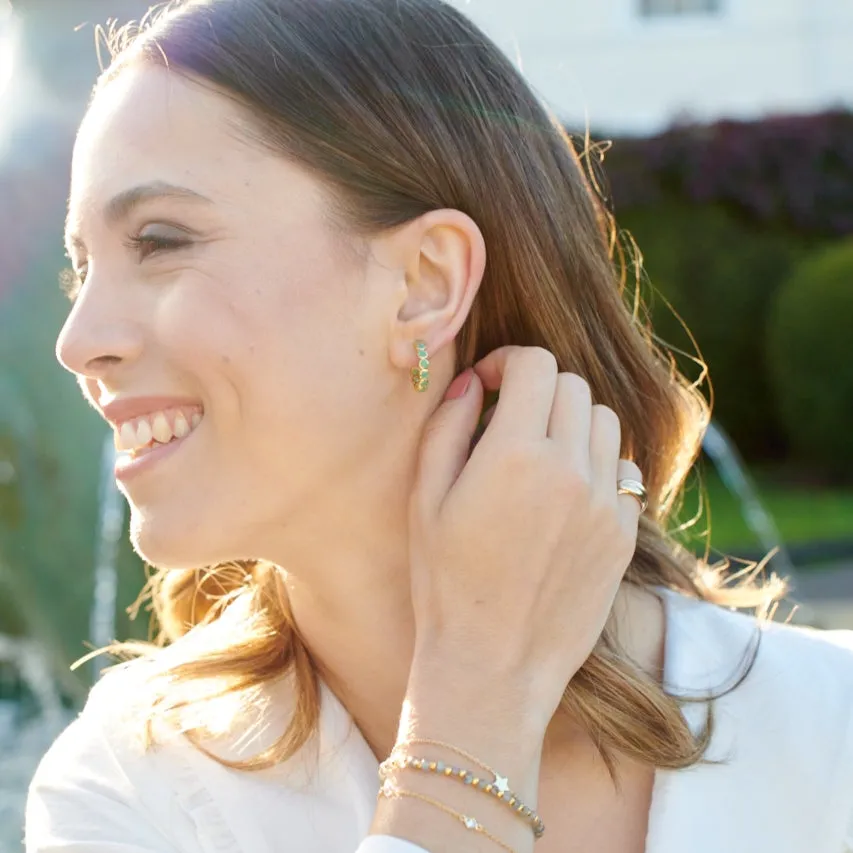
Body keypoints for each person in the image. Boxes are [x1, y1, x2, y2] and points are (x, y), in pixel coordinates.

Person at [24, 1, 853, 851]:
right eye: (80, 270)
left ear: (423, 282)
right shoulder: (129, 792)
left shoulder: (834, 740)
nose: (78, 341)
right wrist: (474, 717)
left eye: (160, 240)